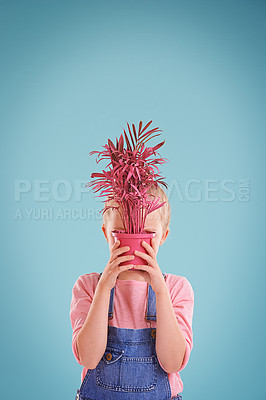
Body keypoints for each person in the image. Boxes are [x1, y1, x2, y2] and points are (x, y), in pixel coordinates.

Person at [70, 184, 194, 399]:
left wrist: (160, 292)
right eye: (120, 233)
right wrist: (103, 289)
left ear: (163, 236)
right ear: (106, 233)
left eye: (147, 234)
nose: (135, 244)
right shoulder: (88, 286)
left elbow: (173, 362)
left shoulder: (176, 288)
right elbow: (88, 359)